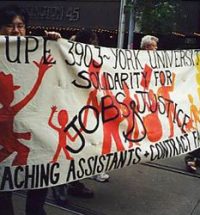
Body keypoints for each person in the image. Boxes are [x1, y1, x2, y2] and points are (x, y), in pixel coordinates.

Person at [0, 4, 61, 215]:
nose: (16, 31)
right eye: (9, 26)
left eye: (21, 26)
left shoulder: (37, 51)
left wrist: (54, 43)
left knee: (38, 182)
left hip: (35, 134)